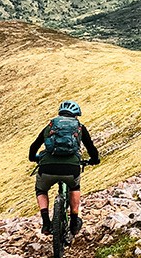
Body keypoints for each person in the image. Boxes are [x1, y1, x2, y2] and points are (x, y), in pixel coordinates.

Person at [29, 100, 100, 235]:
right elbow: (90, 147)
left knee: (41, 190)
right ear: (76, 115)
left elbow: (34, 146)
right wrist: (94, 160)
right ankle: (74, 222)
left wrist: (33, 158)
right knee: (74, 187)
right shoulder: (79, 127)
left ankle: (45, 223)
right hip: (71, 168)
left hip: (47, 167)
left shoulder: (50, 126)